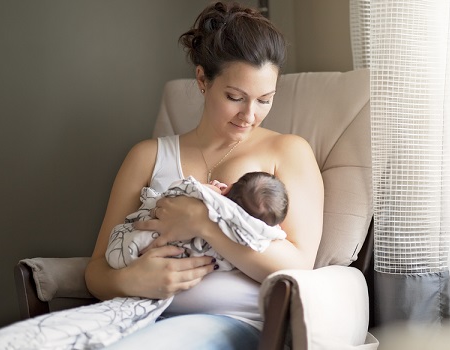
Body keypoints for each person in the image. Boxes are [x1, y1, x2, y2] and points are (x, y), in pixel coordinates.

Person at [85, 2, 324, 349]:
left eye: (264, 100)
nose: (249, 115)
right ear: (202, 79)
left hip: (232, 324)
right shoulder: (146, 156)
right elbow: (95, 271)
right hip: (136, 311)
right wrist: (132, 280)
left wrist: (203, 222)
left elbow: (299, 266)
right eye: (235, 97)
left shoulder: (288, 152)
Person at [106, 171, 289, 271]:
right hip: (141, 283)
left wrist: (203, 214)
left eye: (264, 99)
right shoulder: (257, 234)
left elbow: (180, 189)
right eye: (234, 98)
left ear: (228, 188)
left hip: (232, 320)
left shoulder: (207, 195)